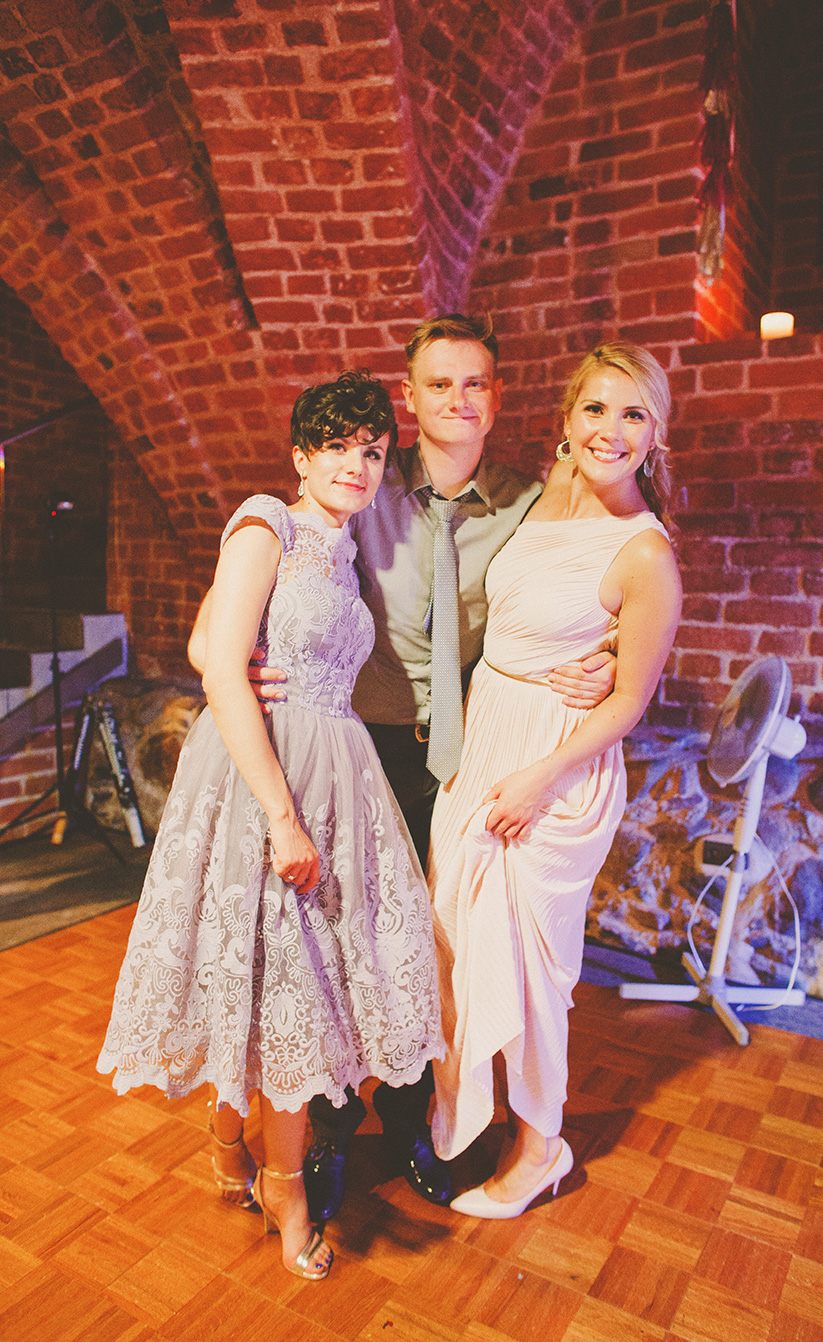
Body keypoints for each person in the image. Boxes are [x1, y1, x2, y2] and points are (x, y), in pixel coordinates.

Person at [188, 315, 617, 1220]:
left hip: (473, 750)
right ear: (411, 397)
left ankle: (418, 1120)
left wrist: (615, 653)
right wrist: (219, 654)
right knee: (339, 945)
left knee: (433, 946)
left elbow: (597, 579)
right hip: (361, 745)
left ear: (496, 397)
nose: (458, 399)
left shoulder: (535, 501)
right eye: (438, 384)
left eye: (476, 383)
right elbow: (246, 586)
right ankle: (330, 1131)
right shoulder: (362, 481)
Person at [98, 372, 443, 1281]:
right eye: (336, 446)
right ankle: (282, 1187)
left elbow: (213, 642)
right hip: (268, 778)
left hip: (337, 772)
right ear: (300, 456)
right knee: (277, 976)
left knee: (284, 979)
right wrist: (283, 818)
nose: (356, 465)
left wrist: (230, 660)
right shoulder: (266, 523)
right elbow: (215, 661)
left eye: (372, 452)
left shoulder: (344, 553)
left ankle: (229, 1148)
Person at [428, 341, 683, 1219]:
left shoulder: (645, 554)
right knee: (456, 938)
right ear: (567, 420)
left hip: (558, 765)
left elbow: (630, 702)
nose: (612, 430)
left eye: (634, 414)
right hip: (486, 740)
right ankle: (470, 1115)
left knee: (532, 967)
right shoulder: (547, 495)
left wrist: (540, 778)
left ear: (655, 434)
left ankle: (540, 1149)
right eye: (596, 409)